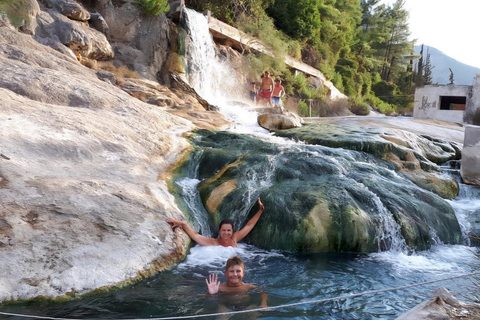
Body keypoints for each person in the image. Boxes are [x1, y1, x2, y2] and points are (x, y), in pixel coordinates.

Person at [166, 198, 265, 247]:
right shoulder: (213, 243)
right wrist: (183, 224)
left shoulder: (235, 238)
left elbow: (249, 225)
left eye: (228, 230)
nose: (226, 233)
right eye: (224, 230)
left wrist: (260, 211)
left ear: (232, 231)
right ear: (220, 231)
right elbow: (196, 236)